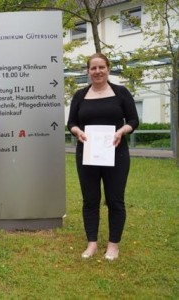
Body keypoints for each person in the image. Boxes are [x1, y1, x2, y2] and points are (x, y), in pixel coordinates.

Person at [67, 53, 139, 261]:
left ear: (108, 68)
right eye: (93, 68)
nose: (97, 72)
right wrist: (76, 132)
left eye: (101, 67)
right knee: (90, 200)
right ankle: (92, 244)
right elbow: (71, 122)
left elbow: (133, 120)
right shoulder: (80, 96)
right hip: (87, 155)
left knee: (115, 200)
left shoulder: (121, 93)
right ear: (88, 71)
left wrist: (122, 131)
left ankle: (113, 245)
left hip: (116, 154)